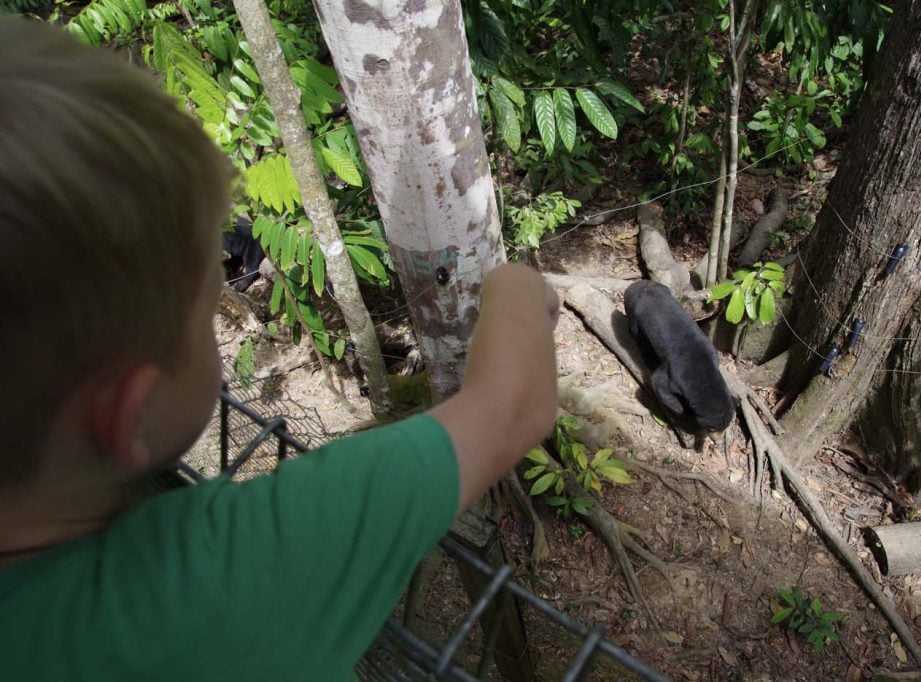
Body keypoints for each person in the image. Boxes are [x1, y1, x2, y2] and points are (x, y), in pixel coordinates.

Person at [0, 18, 558, 680]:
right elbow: (515, 401)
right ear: (127, 412)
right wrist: (515, 280)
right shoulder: (223, 571)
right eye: (206, 315)